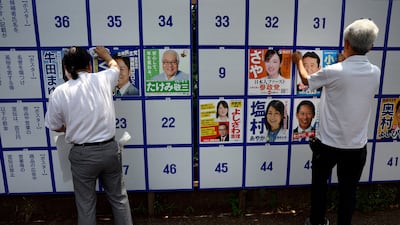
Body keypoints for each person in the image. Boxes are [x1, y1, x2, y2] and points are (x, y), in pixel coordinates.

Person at [292, 19, 380, 225]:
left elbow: (307, 80)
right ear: (371, 47)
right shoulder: (375, 72)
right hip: (357, 146)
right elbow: (350, 76)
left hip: (327, 145)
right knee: (348, 192)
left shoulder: (334, 71)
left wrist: (298, 60)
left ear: (346, 43)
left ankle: (317, 221)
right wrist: (345, 60)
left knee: (320, 186)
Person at [45, 46, 133, 225]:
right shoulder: (103, 78)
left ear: (65, 68)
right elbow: (115, 68)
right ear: (89, 65)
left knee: (86, 205)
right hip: (109, 150)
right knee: (119, 199)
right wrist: (106, 55)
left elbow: (54, 125)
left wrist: (71, 128)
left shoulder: (59, 92)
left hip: (82, 155)